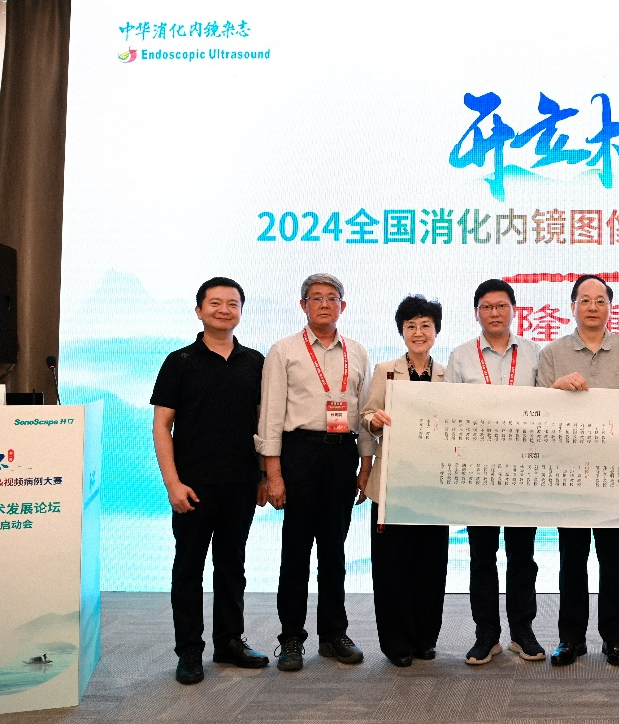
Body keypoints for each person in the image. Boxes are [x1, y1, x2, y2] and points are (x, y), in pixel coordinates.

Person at [151, 277, 268, 685]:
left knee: (232, 565)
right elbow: (161, 426)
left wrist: (264, 475)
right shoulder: (179, 361)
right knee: (189, 568)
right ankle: (189, 650)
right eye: (215, 303)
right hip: (193, 486)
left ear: (241, 311)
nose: (224, 310)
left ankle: (229, 642)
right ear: (199, 310)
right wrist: (172, 483)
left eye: (232, 303)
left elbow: (263, 424)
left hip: (241, 483)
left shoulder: (255, 362)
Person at [536, 274, 619, 667]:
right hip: (568, 472)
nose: (592, 307)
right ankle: (570, 639)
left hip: (615, 472)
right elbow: (536, 409)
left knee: (613, 558)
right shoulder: (553, 352)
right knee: (571, 558)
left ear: (610, 308)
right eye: (584, 300)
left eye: (600, 300)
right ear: (572, 307)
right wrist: (556, 388)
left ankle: (615, 639)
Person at [259, 273, 371, 672]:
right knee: (295, 552)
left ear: (343, 305)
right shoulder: (284, 350)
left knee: (334, 553)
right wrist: (273, 474)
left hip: (342, 454)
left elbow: (364, 412)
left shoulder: (357, 351)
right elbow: (271, 415)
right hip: (299, 453)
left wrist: (365, 464)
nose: (324, 304)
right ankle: (291, 638)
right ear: (303, 305)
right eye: (316, 298)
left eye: (332, 298)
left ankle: (333, 634)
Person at [446, 279, 545, 665]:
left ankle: (523, 631)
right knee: (482, 556)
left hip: (524, 470)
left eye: (501, 306)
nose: (494, 313)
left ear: (513, 310)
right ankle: (486, 635)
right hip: (478, 472)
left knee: (523, 556)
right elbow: (450, 413)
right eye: (486, 307)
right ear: (477, 313)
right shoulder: (460, 357)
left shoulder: (533, 352)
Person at [360, 295, 450, 668]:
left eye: (425, 325)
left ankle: (425, 639)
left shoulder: (448, 374)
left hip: (434, 484)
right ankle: (397, 643)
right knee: (392, 566)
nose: (418, 332)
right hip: (393, 482)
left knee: (431, 563)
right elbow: (366, 416)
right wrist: (374, 421)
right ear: (401, 331)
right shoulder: (386, 370)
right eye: (411, 326)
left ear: (436, 331)